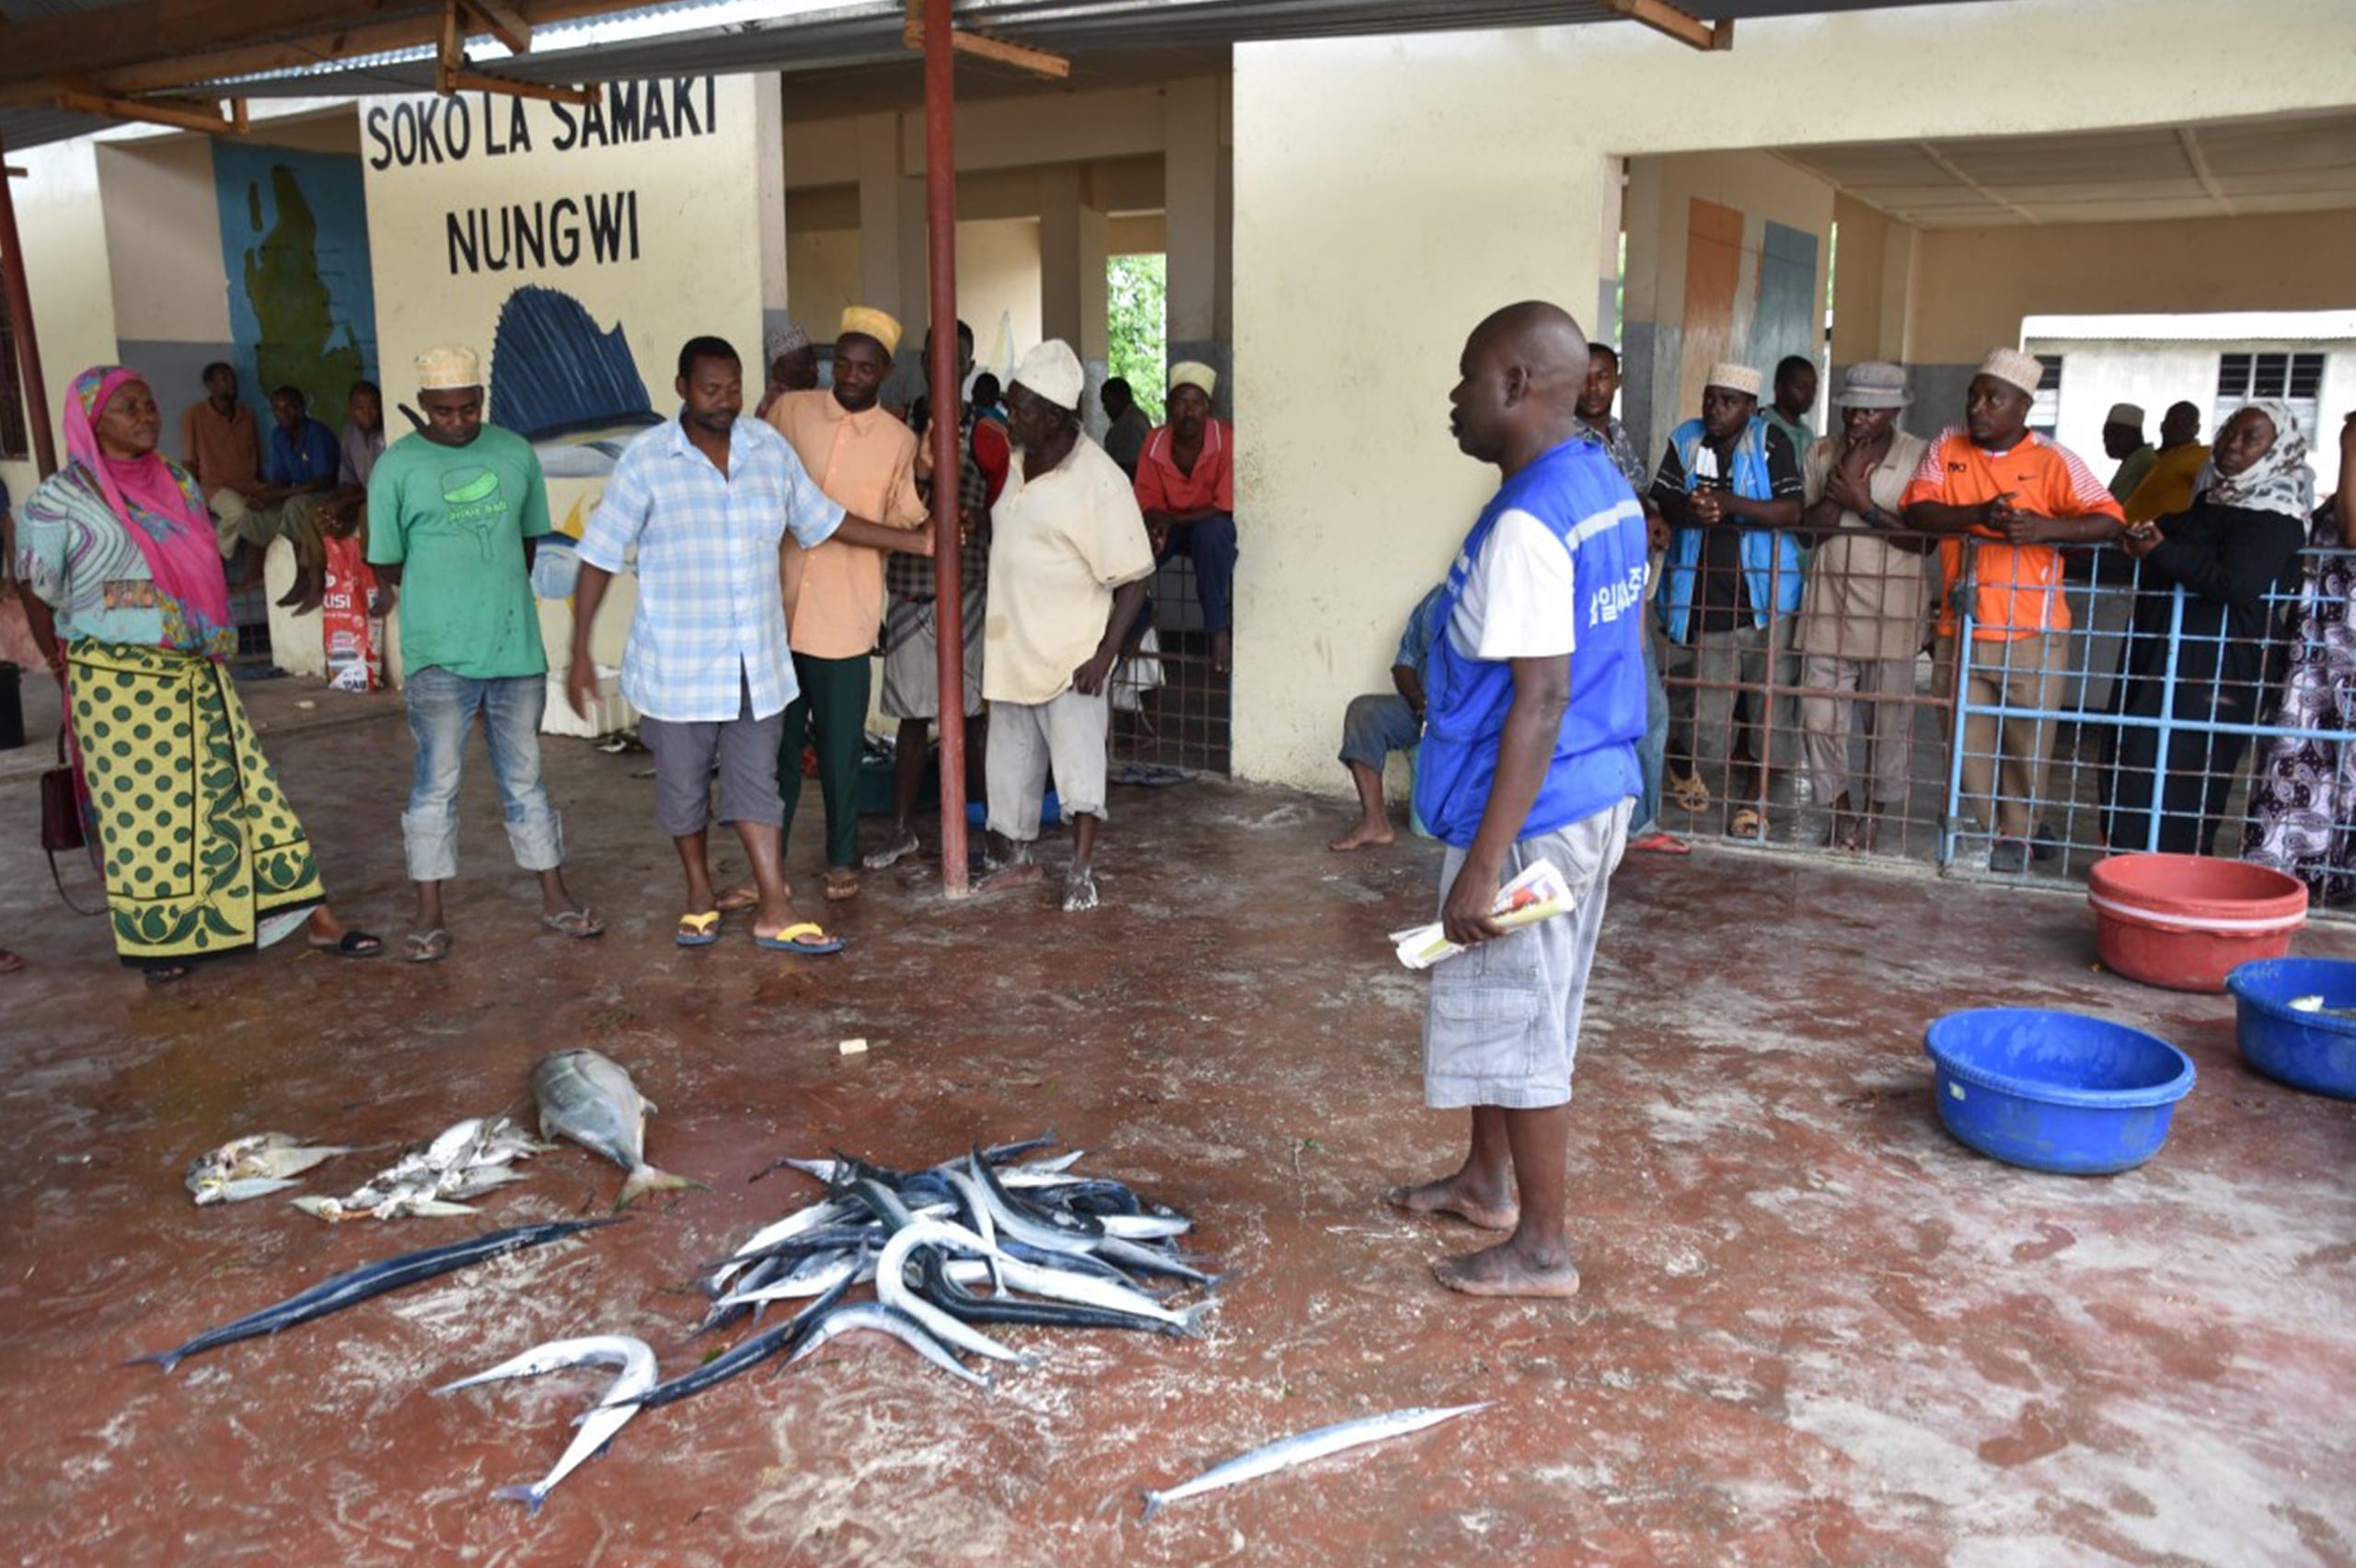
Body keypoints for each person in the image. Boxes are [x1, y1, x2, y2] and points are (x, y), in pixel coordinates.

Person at [1384, 301, 1645, 1299]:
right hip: (1581, 789)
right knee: (1497, 1005)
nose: (1451, 400)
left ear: (1516, 385)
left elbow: (1539, 702)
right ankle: (1485, 1181)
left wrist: (1485, 867)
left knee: (1525, 1020)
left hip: (1536, 811)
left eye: (1464, 378)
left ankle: (1541, 1247)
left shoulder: (1533, 521)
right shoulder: (1597, 486)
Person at [14, 365, 382, 981]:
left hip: (195, 669)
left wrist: (168, 613)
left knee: (249, 796)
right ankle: (164, 942)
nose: (145, 415)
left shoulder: (179, 484)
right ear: (91, 422)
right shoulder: (59, 500)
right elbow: (40, 586)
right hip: (116, 681)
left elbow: (196, 566)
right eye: (127, 407)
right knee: (147, 816)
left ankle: (314, 916)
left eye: (149, 402)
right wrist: (62, 663)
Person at [568, 336, 930, 952]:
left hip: (756, 661)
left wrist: (915, 542)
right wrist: (579, 649)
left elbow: (823, 520)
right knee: (684, 792)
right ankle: (699, 894)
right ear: (682, 387)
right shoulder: (648, 460)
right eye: (711, 389)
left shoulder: (768, 450)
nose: (725, 400)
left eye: (733, 388)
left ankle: (775, 907)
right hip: (679, 665)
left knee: (757, 782)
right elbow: (599, 556)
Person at [365, 345, 600, 963]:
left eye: (469, 408)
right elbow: (386, 560)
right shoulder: (396, 467)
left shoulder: (513, 452)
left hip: (513, 649)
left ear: (482, 402)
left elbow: (526, 543)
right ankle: (430, 913)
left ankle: (555, 897)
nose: (459, 421)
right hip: (437, 655)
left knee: (526, 778)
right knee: (436, 783)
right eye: (444, 411)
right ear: (423, 406)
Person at [1901, 348, 2126, 871]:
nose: (1979, 408)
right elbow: (1916, 509)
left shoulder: (2054, 460)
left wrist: (2044, 529)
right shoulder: (1947, 444)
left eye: (1993, 400)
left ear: (2024, 405)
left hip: (2033, 630)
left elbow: (2110, 519)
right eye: (1974, 396)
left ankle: (2019, 834)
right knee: (1966, 739)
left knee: (2029, 742)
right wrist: (1979, 513)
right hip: (1962, 624)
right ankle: (2001, 828)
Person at [976, 340, 1155, 913]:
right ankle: (1019, 861)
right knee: (1008, 767)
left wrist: (1105, 655)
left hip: (1072, 653)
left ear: (1055, 416)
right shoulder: (1013, 462)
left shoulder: (1099, 480)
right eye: (1010, 404)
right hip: (1013, 646)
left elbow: (1135, 575)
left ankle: (1080, 870)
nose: (1011, 417)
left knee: (1079, 770)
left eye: (1022, 408)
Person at [766, 306, 932, 903]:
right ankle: (772, 864)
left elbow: (910, 517)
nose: (852, 376)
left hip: (845, 618)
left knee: (839, 754)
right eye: (846, 362)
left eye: (867, 367)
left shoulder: (897, 440)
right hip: (776, 614)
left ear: (885, 371)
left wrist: (929, 477)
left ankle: (841, 858)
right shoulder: (791, 412)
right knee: (776, 752)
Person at [2102, 402, 2310, 858]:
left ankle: (2173, 870)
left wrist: (2161, 550)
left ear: (2279, 448)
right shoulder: (2213, 499)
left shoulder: (2279, 515)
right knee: (2133, 749)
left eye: (2250, 437)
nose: (2233, 444)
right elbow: (2173, 536)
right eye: (2229, 432)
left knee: (2188, 764)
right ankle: (2127, 862)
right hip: (2163, 646)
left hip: (2219, 661)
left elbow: (2236, 582)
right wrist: (2147, 540)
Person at [1650, 361, 1805, 840]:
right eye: (1710, 399)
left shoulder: (1771, 442)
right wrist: (1691, 506)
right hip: (1705, 601)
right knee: (1709, 718)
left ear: (1752, 407)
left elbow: (1792, 510)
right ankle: (1683, 757)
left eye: (1728, 402)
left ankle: (1755, 800)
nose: (1715, 410)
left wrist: (1732, 504)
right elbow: (1661, 500)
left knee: (1768, 707)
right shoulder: (1687, 439)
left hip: (1766, 599)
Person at [867, 319, 994, 873]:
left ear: (969, 367)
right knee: (913, 720)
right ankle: (902, 829)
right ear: (924, 365)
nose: (946, 367)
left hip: (967, 584)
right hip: (913, 588)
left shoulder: (990, 435)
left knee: (975, 716)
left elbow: (1003, 507)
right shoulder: (898, 428)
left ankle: (982, 823)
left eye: (956, 358)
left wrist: (977, 517)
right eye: (936, 357)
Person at [1795, 363, 1934, 852]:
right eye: (1852, 407)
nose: (1858, 418)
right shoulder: (1823, 452)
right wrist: (1844, 480)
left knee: (1887, 726)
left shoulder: (1920, 457)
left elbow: (1925, 544)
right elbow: (1808, 532)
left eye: (1871, 410)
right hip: (1828, 607)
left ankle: (1874, 812)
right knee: (1819, 718)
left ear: (1894, 411)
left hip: (1891, 611)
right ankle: (1840, 809)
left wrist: (1866, 504)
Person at [1577, 342, 1682, 855]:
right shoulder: (1565, 441)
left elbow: (1635, 491)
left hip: (1625, 593)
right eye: (1584, 376)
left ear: (1617, 381)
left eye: (1603, 376)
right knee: (1621, 708)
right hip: (1593, 598)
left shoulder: (1614, 434)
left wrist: (1652, 515)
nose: (1593, 386)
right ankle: (1619, 824)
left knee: (1646, 708)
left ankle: (1634, 822)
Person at [2246, 411, 2356, 892]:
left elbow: (2353, 533)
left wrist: (2352, 445)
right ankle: (2306, 871)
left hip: (2343, 642)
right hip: (2322, 643)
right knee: (2310, 755)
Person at [1134, 362, 1240, 675]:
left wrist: (1172, 520)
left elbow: (1224, 506)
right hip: (1171, 525)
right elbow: (1146, 500)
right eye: (1181, 402)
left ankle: (1217, 629)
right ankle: (1136, 621)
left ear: (1208, 408)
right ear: (1169, 407)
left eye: (1196, 403)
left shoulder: (1226, 439)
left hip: (1208, 525)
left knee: (1210, 534)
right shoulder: (1154, 441)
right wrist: (1156, 522)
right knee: (1133, 548)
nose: (1188, 411)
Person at [1331, 584, 1445, 852]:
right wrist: (1419, 701)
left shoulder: (1500, 605)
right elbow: (1404, 662)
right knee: (1364, 712)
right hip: (1425, 710)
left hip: (1473, 718)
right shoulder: (1437, 601)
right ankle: (1375, 823)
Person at [248, 386, 344, 613]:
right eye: (278, 409)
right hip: (297, 492)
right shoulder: (278, 435)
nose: (285, 413)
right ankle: (253, 575)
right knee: (255, 510)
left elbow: (325, 480)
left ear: (302, 407)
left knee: (295, 505)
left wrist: (284, 494)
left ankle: (305, 577)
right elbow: (280, 478)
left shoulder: (317, 433)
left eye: (290, 407)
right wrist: (266, 494)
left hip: (326, 492)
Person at [180, 362, 267, 572]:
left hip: (249, 485)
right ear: (210, 385)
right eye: (224, 379)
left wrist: (264, 488)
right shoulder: (196, 415)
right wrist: (193, 499)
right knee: (236, 511)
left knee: (278, 509)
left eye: (232, 378)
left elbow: (256, 454)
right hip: (214, 487)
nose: (232, 384)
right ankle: (214, 559)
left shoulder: (247, 416)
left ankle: (259, 573)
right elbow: (189, 462)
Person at [2123, 401, 2210, 525]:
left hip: (2158, 535)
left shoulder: (2200, 454)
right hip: (2127, 530)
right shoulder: (2154, 457)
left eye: (2185, 421)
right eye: (2173, 420)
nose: (2177, 425)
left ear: (2196, 429)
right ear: (2162, 426)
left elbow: (2211, 492)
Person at [756, 321, 818, 419]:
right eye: (802, 364)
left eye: (814, 362)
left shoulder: (800, 397)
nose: (815, 370)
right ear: (779, 369)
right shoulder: (780, 404)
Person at [1764, 354, 1819, 459]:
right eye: (1801, 387)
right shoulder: (1763, 430)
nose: (1810, 394)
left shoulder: (1807, 435)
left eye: (1813, 387)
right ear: (1779, 388)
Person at [2103, 403, 2158, 502]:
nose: (2108, 441)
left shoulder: (2144, 464)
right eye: (2105, 435)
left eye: (2116, 435)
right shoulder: (2134, 460)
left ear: (2135, 435)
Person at [1100, 376, 1151, 478]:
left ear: (1120, 398)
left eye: (1107, 402)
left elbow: (1133, 468)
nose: (1105, 408)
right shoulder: (1131, 418)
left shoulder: (1130, 423)